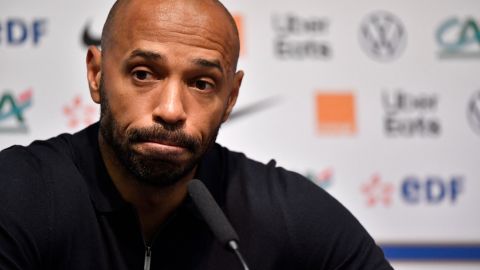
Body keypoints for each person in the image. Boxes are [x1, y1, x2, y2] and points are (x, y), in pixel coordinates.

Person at [0, 0, 393, 269]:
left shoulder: (283, 212)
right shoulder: (20, 193)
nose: (171, 110)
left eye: (202, 83)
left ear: (231, 97)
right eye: (143, 74)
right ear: (97, 75)